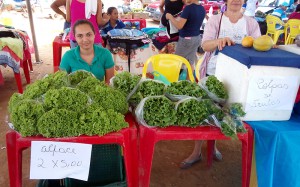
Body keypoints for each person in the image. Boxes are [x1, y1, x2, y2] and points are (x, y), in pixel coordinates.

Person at [181, 0, 261, 169]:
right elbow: (205, 45)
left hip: (239, 79)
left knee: (224, 113)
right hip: (213, 74)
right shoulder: (215, 20)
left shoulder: (251, 23)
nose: (236, 1)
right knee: (204, 111)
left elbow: (258, 47)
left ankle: (214, 146)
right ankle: (197, 151)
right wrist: (219, 41)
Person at [60, 19, 114, 84]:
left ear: (94, 34)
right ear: (75, 37)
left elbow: (109, 83)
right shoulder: (68, 56)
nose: (85, 40)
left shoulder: (105, 54)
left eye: (88, 35)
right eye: (80, 36)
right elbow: (61, 82)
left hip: (98, 93)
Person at [166, 0, 205, 78]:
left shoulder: (188, 9)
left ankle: (172, 82)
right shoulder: (202, 8)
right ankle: (189, 82)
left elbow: (179, 26)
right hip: (197, 38)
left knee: (176, 62)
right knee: (190, 63)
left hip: (187, 40)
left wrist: (170, 17)